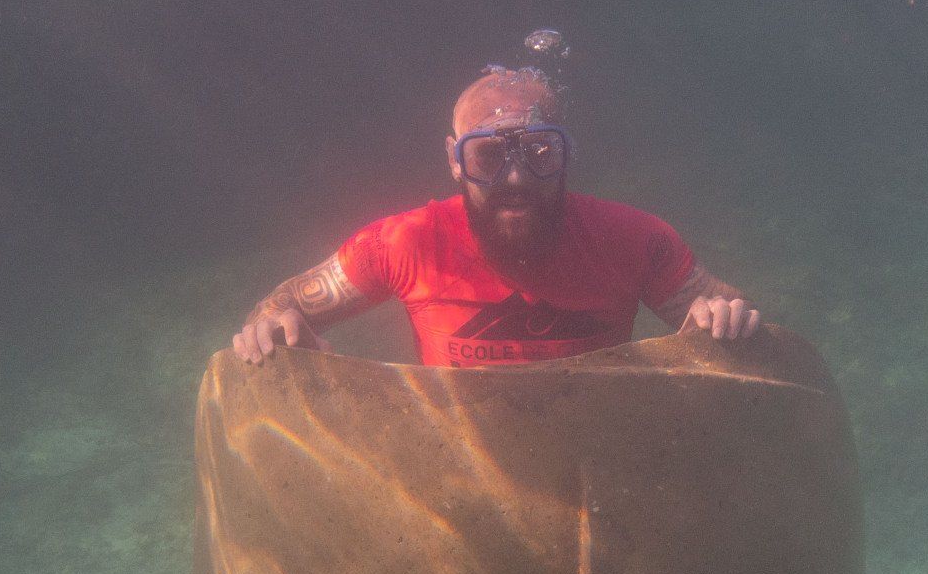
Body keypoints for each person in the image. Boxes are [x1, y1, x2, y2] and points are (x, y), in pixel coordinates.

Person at [231, 65, 759, 366]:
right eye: (487, 155)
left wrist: (724, 317)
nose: (516, 179)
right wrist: (272, 325)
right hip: (462, 474)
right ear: (454, 161)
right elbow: (283, 304)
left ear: (567, 154)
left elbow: (728, 309)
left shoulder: (637, 240)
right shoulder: (402, 243)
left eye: (539, 153)